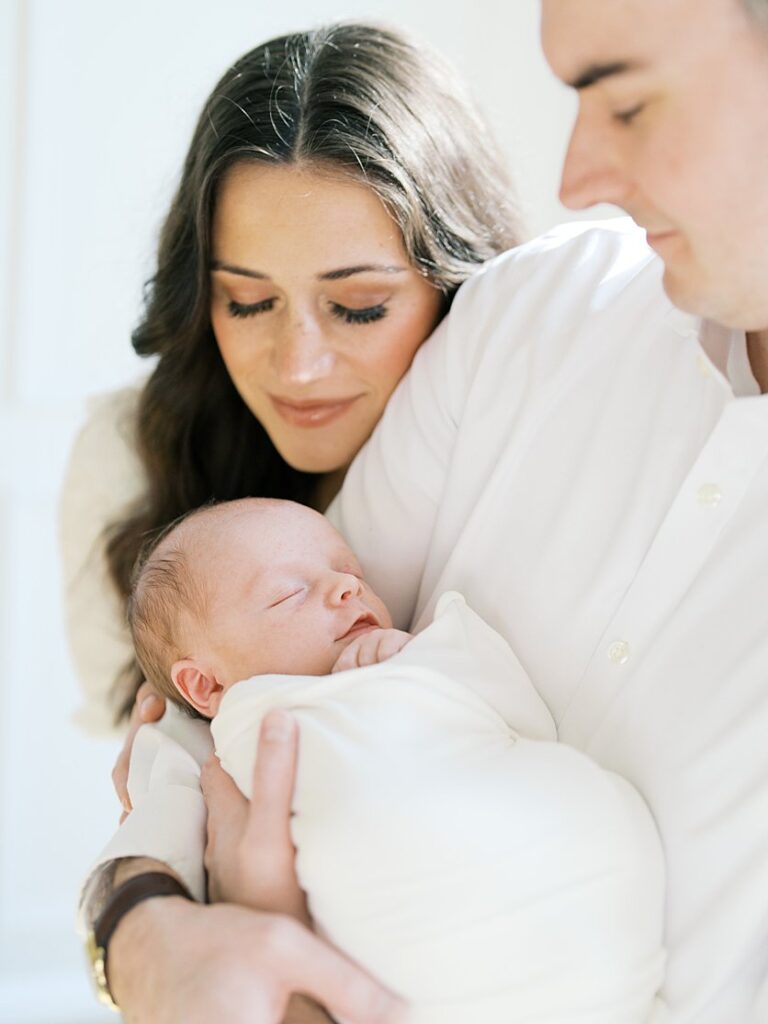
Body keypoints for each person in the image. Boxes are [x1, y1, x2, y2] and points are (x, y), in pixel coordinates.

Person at [65, 0, 768, 1020]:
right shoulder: (536, 312)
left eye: (628, 100)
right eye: (246, 299)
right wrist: (142, 933)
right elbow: (207, 710)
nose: (575, 180)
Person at [60, 20, 522, 1024]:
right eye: (245, 302)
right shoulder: (128, 464)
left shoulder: (511, 439)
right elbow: (151, 822)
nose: (297, 365)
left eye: (357, 307)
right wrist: (142, 920)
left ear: (456, 280)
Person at [127, 497, 664, 1023]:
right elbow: (154, 832)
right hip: (406, 940)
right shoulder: (211, 741)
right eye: (289, 593)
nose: (346, 587)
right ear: (205, 683)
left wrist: (414, 664)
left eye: (350, 572)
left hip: (570, 873)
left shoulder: (415, 657)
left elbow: (523, 723)